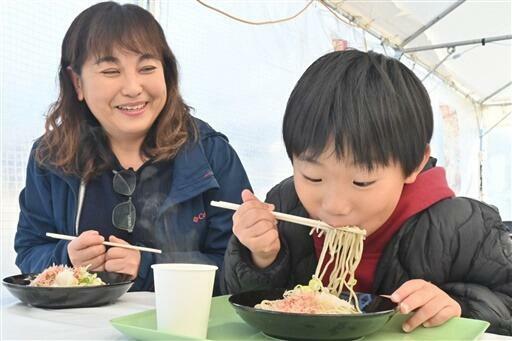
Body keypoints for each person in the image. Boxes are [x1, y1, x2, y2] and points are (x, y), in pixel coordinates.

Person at [223, 50, 512, 335]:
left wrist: (459, 307)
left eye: (361, 182)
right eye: (313, 176)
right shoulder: (284, 206)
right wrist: (260, 257)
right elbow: (249, 307)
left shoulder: (462, 227)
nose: (334, 205)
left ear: (414, 164)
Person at [14, 1, 251, 295]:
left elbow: (239, 271)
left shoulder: (210, 153)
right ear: (77, 82)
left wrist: (148, 267)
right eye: (111, 71)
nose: (133, 87)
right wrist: (66, 259)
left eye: (147, 68)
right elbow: (29, 252)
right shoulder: (50, 157)